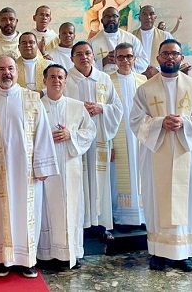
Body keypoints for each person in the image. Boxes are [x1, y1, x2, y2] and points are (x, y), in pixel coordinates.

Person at [130, 39, 192, 272]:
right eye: (165, 54)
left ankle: (184, 253)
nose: (170, 58)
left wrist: (184, 122)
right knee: (156, 199)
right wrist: (160, 123)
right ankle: (158, 253)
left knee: (187, 200)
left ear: (181, 58)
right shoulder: (145, 89)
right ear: (158, 58)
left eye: (174, 54)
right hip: (156, 153)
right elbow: (136, 120)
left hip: (185, 151)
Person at [0, 55, 58, 278]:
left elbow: (43, 132)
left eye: (10, 69)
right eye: (1, 69)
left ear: (16, 72)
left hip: (27, 170)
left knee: (28, 212)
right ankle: (2, 260)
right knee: (0, 212)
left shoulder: (31, 98)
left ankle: (27, 260)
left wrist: (42, 166)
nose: (6, 73)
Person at [37, 64, 96, 271]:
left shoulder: (76, 106)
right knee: (45, 209)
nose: (56, 80)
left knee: (71, 207)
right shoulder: (36, 106)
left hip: (69, 167)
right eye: (52, 76)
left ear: (65, 80)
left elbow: (90, 131)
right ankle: (45, 253)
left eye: (60, 77)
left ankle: (70, 252)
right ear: (44, 80)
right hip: (44, 168)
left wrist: (71, 134)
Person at [64, 41, 123, 238]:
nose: (84, 57)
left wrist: (102, 108)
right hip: (75, 141)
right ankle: (79, 223)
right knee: (78, 180)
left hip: (98, 139)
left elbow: (117, 107)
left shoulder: (104, 79)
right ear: (72, 58)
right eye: (79, 54)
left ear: (93, 56)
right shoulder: (66, 79)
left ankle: (99, 224)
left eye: (87, 53)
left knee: (99, 181)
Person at [108, 43, 147, 226]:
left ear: (134, 59)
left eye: (129, 56)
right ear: (114, 59)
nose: (125, 61)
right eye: (121, 57)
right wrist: (110, 144)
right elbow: (107, 116)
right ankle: (122, 218)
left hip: (140, 139)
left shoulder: (143, 81)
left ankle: (143, 215)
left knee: (141, 176)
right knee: (118, 177)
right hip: (119, 139)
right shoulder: (107, 81)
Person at [88, 7, 148, 74]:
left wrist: (126, 60)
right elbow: (87, 66)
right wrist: (103, 61)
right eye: (107, 16)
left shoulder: (131, 39)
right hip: (104, 81)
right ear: (102, 20)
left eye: (114, 16)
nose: (111, 19)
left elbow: (144, 62)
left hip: (126, 79)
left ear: (119, 20)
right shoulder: (92, 42)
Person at [132, 6, 173, 78]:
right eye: (144, 14)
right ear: (139, 17)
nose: (148, 17)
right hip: (137, 77)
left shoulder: (165, 36)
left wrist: (157, 70)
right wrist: (140, 72)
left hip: (159, 77)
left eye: (151, 14)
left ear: (155, 17)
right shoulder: (131, 36)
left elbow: (173, 57)